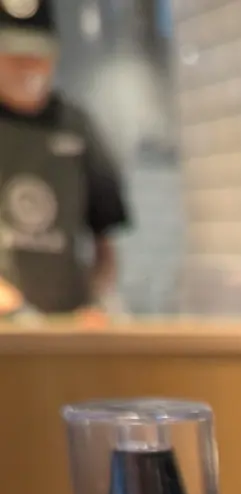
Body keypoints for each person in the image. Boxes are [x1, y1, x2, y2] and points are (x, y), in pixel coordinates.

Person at [0, 0, 128, 320]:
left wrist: (97, 302)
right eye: (15, 55)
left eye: (37, 54)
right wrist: (13, 309)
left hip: (65, 325)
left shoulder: (77, 127)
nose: (28, 65)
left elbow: (105, 237)